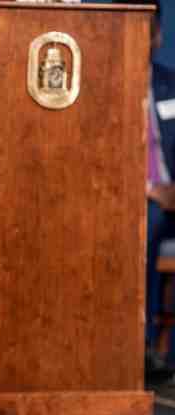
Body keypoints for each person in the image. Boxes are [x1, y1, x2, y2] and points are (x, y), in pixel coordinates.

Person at [115, 1, 175, 372]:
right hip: (135, 200)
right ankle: (145, 347)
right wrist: (147, 187)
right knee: (147, 221)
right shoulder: (106, 84)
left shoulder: (170, 84)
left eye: (147, 29)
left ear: (158, 36)